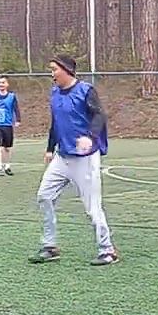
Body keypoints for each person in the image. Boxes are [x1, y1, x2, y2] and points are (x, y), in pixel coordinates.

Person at [29, 54, 119, 266]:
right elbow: (56, 123)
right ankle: (50, 246)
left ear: (66, 70)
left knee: (92, 207)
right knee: (44, 196)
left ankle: (107, 250)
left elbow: (99, 116)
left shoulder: (85, 91)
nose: (52, 74)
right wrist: (50, 148)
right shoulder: (54, 93)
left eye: (54, 69)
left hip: (85, 159)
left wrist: (90, 137)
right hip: (62, 157)